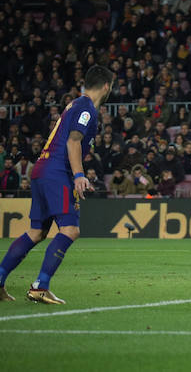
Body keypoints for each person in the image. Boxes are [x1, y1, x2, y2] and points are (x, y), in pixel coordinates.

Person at [0, 65, 114, 304]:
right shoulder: (87, 109)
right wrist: (79, 175)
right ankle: (41, 286)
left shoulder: (75, 104)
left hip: (42, 169)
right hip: (57, 172)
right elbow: (74, 141)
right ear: (107, 86)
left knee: (37, 232)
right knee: (70, 230)